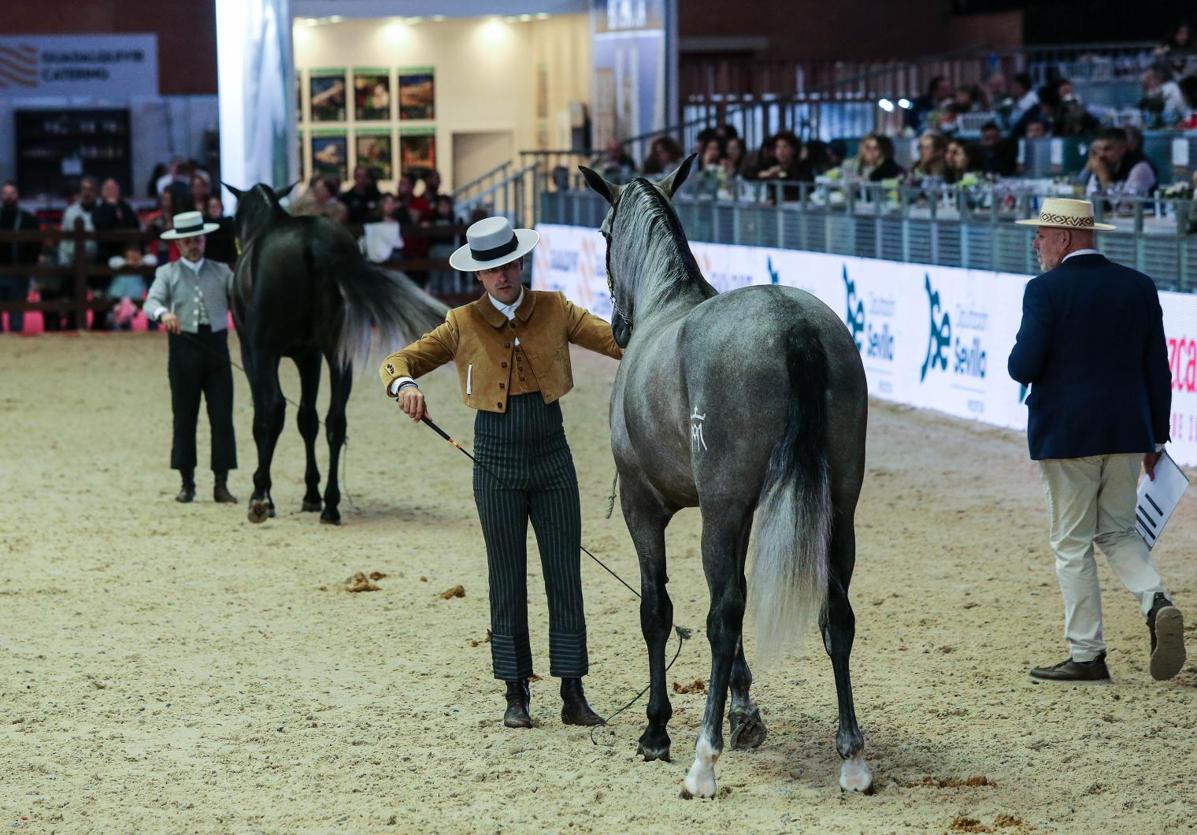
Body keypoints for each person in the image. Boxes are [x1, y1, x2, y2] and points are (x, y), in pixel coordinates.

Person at [379, 216, 622, 730]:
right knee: (506, 575)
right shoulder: (461, 323)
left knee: (565, 574)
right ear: (479, 277)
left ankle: (573, 694)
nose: (503, 276)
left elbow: (613, 340)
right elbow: (399, 360)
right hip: (493, 460)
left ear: (521, 262)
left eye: (508, 264)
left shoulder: (556, 309)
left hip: (553, 457)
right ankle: (515, 693)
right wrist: (403, 386)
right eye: (491, 270)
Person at [1008, 198, 1183, 683]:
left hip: (1067, 435)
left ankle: (1087, 653)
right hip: (1130, 430)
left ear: (1064, 239)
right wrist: (1157, 437)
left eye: (1042, 234)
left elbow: (1024, 366)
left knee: (1072, 542)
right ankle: (1155, 602)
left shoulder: (1044, 290)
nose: (1037, 243)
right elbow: (1158, 370)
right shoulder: (1139, 286)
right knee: (1119, 531)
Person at [143, 210, 239, 505]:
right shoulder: (167, 273)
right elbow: (151, 302)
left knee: (222, 417)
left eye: (198, 239)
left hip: (216, 347)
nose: (194, 245)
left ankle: (221, 483)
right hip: (183, 348)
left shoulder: (222, 271)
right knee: (184, 417)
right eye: (188, 241)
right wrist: (164, 313)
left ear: (204, 239)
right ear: (179, 245)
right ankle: (187, 482)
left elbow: (240, 299)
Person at [0, 182, 40, 334]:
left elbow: (35, 246)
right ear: (1, 196)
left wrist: (28, 266)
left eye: (12, 193)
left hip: (19, 273)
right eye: (6, 193)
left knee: (17, 314)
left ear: (18, 196)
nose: (9, 196)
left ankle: (16, 342)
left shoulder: (28, 219)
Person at [1084, 127, 1157, 200]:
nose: (1101, 154)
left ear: (1122, 149)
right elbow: (1090, 199)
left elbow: (1125, 205)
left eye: (1107, 149)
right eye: (1099, 149)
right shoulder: (1103, 165)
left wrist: (1104, 180)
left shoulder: (1140, 168)